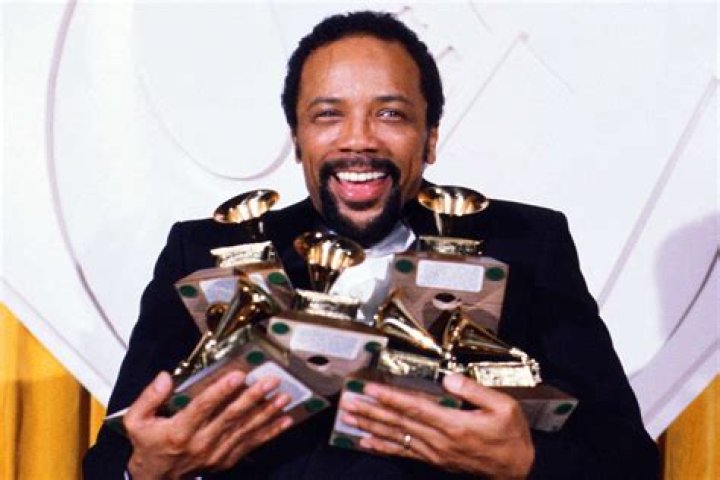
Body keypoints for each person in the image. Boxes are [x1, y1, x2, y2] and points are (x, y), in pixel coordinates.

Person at [84, 10, 659, 479]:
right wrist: (147, 469)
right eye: (327, 116)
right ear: (297, 140)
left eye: (391, 114)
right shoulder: (204, 254)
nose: (358, 140)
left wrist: (526, 463)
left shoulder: (527, 246)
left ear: (430, 138)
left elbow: (629, 460)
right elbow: (110, 465)